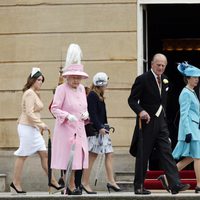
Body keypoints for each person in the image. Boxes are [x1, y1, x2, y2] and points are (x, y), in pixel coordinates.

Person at [128, 53, 190, 195]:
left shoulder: (166, 80)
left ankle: (174, 184)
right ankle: (139, 186)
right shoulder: (142, 79)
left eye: (163, 65)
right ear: (152, 64)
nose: (160, 67)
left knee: (167, 152)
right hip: (147, 122)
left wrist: (164, 119)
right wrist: (141, 111)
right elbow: (132, 100)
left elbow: (163, 103)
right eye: (158, 65)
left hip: (161, 123)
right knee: (143, 155)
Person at [10, 68, 61, 194]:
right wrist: (42, 125)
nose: (40, 82)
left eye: (42, 80)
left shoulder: (34, 93)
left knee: (44, 154)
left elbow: (33, 113)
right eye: (38, 80)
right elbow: (29, 113)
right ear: (32, 80)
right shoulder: (29, 93)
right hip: (26, 128)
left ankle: (53, 182)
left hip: (33, 128)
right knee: (23, 155)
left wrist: (38, 126)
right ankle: (15, 184)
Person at [50, 44, 89, 195]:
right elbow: (54, 108)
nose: (77, 81)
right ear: (68, 76)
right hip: (66, 130)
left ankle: (78, 186)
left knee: (80, 157)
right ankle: (68, 186)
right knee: (68, 158)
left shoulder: (81, 89)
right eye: (74, 77)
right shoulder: (61, 89)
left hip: (79, 128)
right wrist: (67, 115)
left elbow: (83, 107)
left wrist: (86, 114)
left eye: (79, 78)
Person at [159, 62, 200, 193]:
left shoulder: (191, 92)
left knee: (190, 158)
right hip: (191, 131)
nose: (197, 80)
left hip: (194, 128)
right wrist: (188, 132)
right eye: (195, 78)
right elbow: (184, 113)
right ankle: (199, 184)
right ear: (187, 78)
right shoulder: (186, 93)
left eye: (198, 78)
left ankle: (166, 177)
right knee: (198, 157)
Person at [81, 72, 121, 194]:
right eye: (105, 83)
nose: (106, 86)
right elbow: (92, 113)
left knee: (109, 154)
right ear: (101, 84)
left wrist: (105, 126)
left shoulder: (99, 95)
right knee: (92, 156)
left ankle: (111, 181)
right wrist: (99, 127)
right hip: (97, 132)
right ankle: (85, 183)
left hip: (103, 131)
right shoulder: (92, 95)